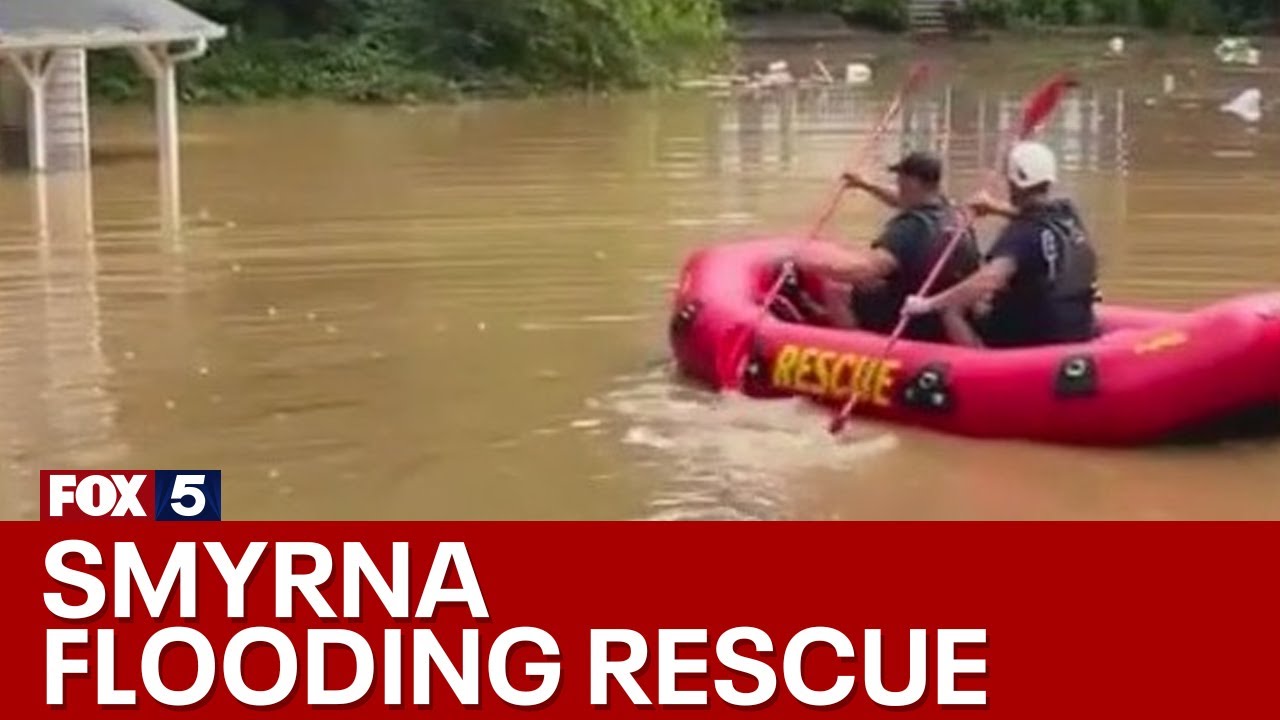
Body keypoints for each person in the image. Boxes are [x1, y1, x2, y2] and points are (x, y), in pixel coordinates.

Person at [901, 141, 1099, 348]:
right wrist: (994, 208)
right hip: (1077, 328)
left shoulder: (1022, 234)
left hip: (1035, 336)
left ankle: (979, 365)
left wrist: (929, 304)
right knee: (981, 304)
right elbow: (1035, 213)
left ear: (1013, 183)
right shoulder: (1068, 214)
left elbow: (989, 279)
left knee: (953, 307)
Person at [789, 150, 981, 343]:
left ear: (912, 182)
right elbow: (899, 199)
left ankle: (855, 347)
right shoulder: (954, 212)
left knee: (835, 287)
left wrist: (805, 261)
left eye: (900, 178)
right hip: (943, 308)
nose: (897, 183)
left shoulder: (909, 228)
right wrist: (865, 184)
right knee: (875, 277)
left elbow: (861, 272)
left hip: (912, 315)